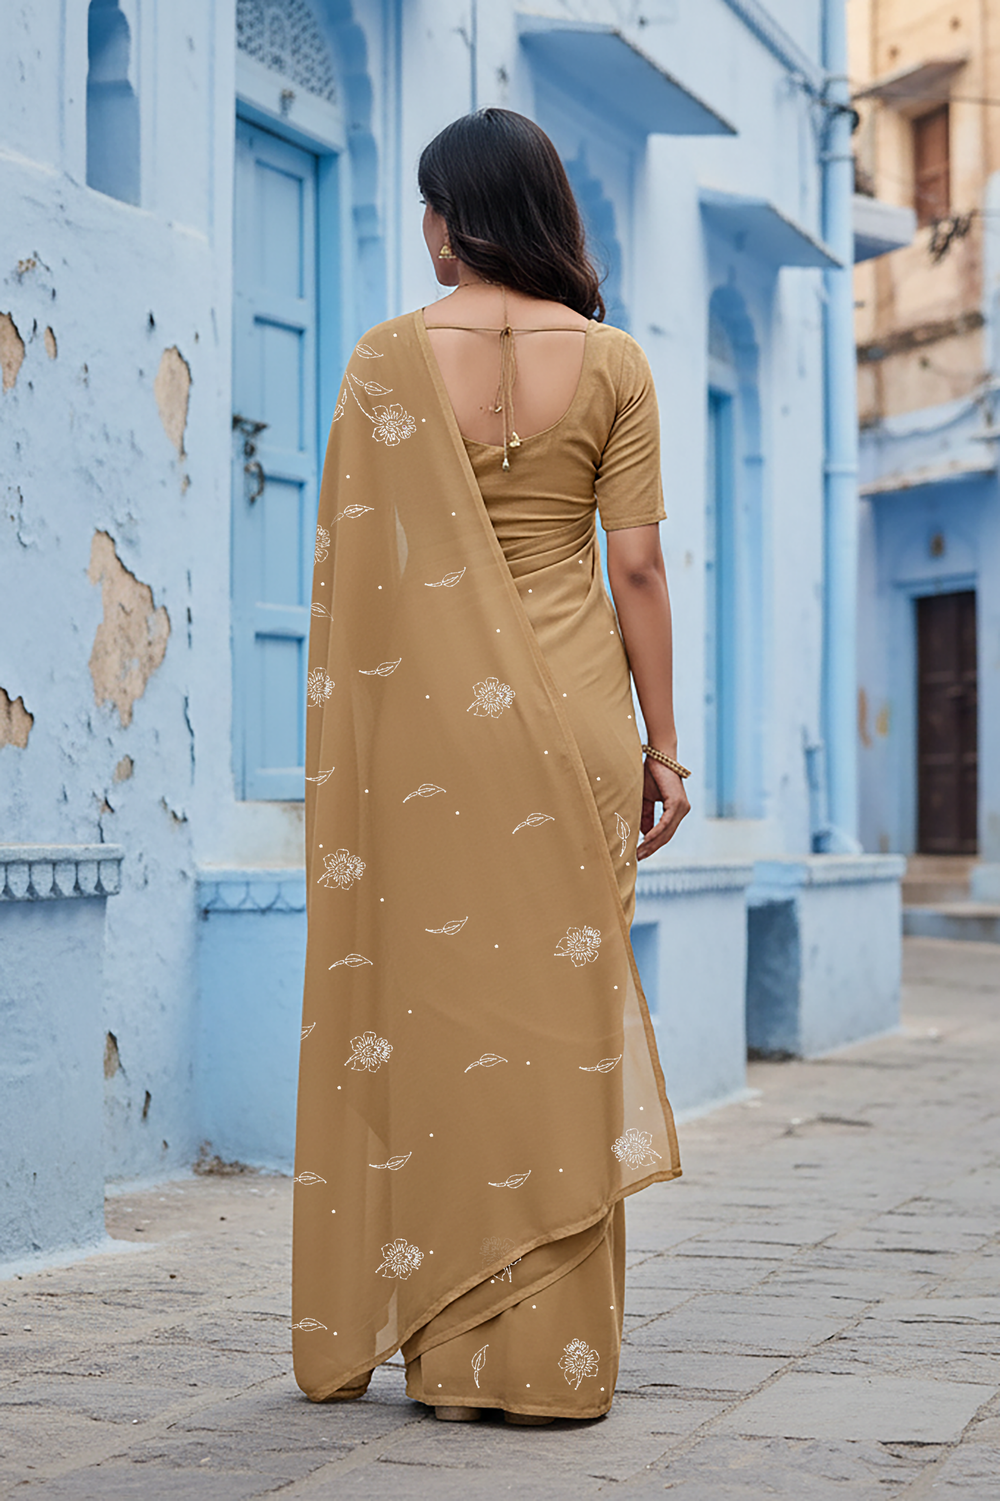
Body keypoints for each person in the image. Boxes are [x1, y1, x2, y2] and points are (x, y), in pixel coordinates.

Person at [293, 108, 689, 1424]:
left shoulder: (384, 361)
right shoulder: (616, 362)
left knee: (444, 1020)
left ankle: (453, 1356)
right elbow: (638, 570)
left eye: (430, 206)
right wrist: (665, 747)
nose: (425, 229)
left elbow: (367, 581)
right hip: (581, 724)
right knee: (563, 1022)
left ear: (455, 216)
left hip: (436, 738)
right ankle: (548, 1363)